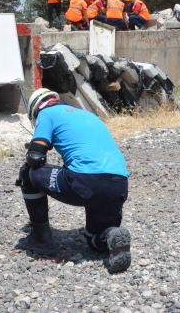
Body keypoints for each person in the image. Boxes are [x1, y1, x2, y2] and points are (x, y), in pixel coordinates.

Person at [15, 88, 131, 273]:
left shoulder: (46, 112)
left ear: (34, 112)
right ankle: (111, 235)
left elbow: (35, 157)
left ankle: (40, 239)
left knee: (27, 173)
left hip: (86, 182)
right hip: (118, 185)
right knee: (93, 239)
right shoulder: (88, 115)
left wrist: (36, 151)